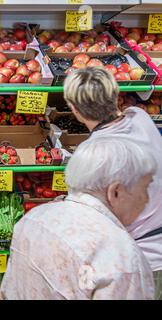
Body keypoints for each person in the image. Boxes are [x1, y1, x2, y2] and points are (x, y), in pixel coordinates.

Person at [0, 137, 156, 299]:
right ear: (115, 192)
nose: (146, 200)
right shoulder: (121, 256)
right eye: (144, 189)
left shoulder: (32, 219)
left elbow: (8, 291)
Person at [62, 67, 162, 299]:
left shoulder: (91, 156)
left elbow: (87, 224)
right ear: (115, 95)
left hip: (136, 261)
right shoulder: (141, 117)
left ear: (74, 110)